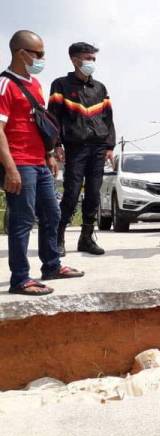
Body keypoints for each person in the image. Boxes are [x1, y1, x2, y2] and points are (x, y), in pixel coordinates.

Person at [0, 30, 84, 295]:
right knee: (22, 220)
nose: (42, 58)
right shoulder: (5, 85)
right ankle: (20, 279)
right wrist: (10, 168)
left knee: (52, 213)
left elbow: (38, 123)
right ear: (20, 53)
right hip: (19, 163)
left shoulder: (34, 84)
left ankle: (51, 265)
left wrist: (48, 155)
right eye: (38, 53)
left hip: (38, 161)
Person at [49, 42, 115, 256]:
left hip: (98, 148)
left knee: (94, 194)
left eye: (93, 59)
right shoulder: (60, 85)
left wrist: (109, 146)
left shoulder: (100, 88)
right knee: (71, 193)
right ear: (74, 59)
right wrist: (56, 145)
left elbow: (108, 119)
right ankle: (58, 238)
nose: (91, 62)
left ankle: (86, 238)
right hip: (75, 147)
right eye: (88, 58)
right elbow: (53, 118)